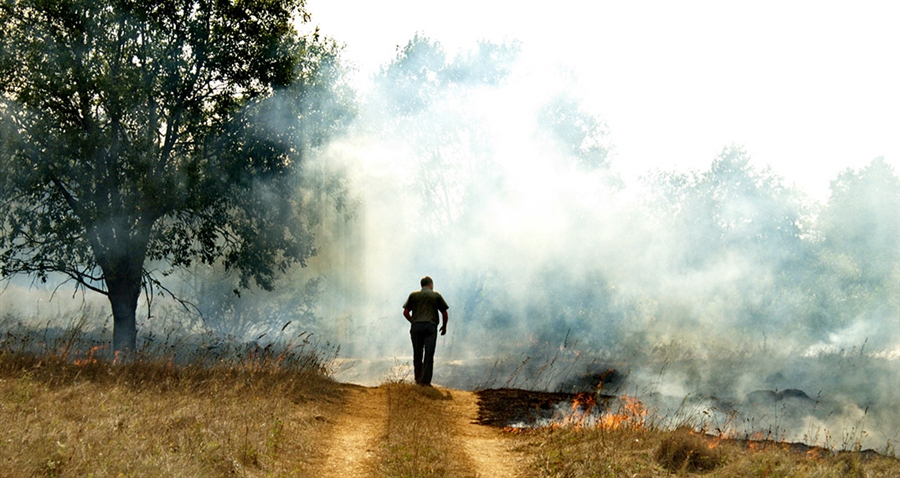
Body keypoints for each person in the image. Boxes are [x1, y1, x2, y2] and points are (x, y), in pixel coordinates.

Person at [402, 276, 449, 386]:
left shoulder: (413, 295)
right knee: (429, 354)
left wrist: (413, 321)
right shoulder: (435, 295)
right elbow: (444, 312)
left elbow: (405, 312)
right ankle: (425, 382)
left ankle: (418, 380)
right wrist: (444, 326)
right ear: (431, 284)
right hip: (430, 327)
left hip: (416, 327)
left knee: (417, 354)